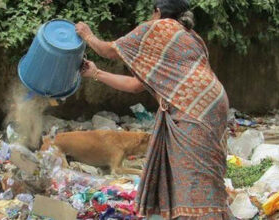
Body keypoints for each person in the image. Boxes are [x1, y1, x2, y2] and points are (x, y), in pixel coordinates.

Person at [76, 0, 232, 219]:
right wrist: (96, 73)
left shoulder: (157, 28)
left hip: (192, 105)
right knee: (205, 170)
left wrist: (86, 34)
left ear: (157, 11)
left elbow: (108, 50)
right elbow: (136, 85)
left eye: (151, 12)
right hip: (214, 99)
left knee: (192, 173)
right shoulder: (189, 36)